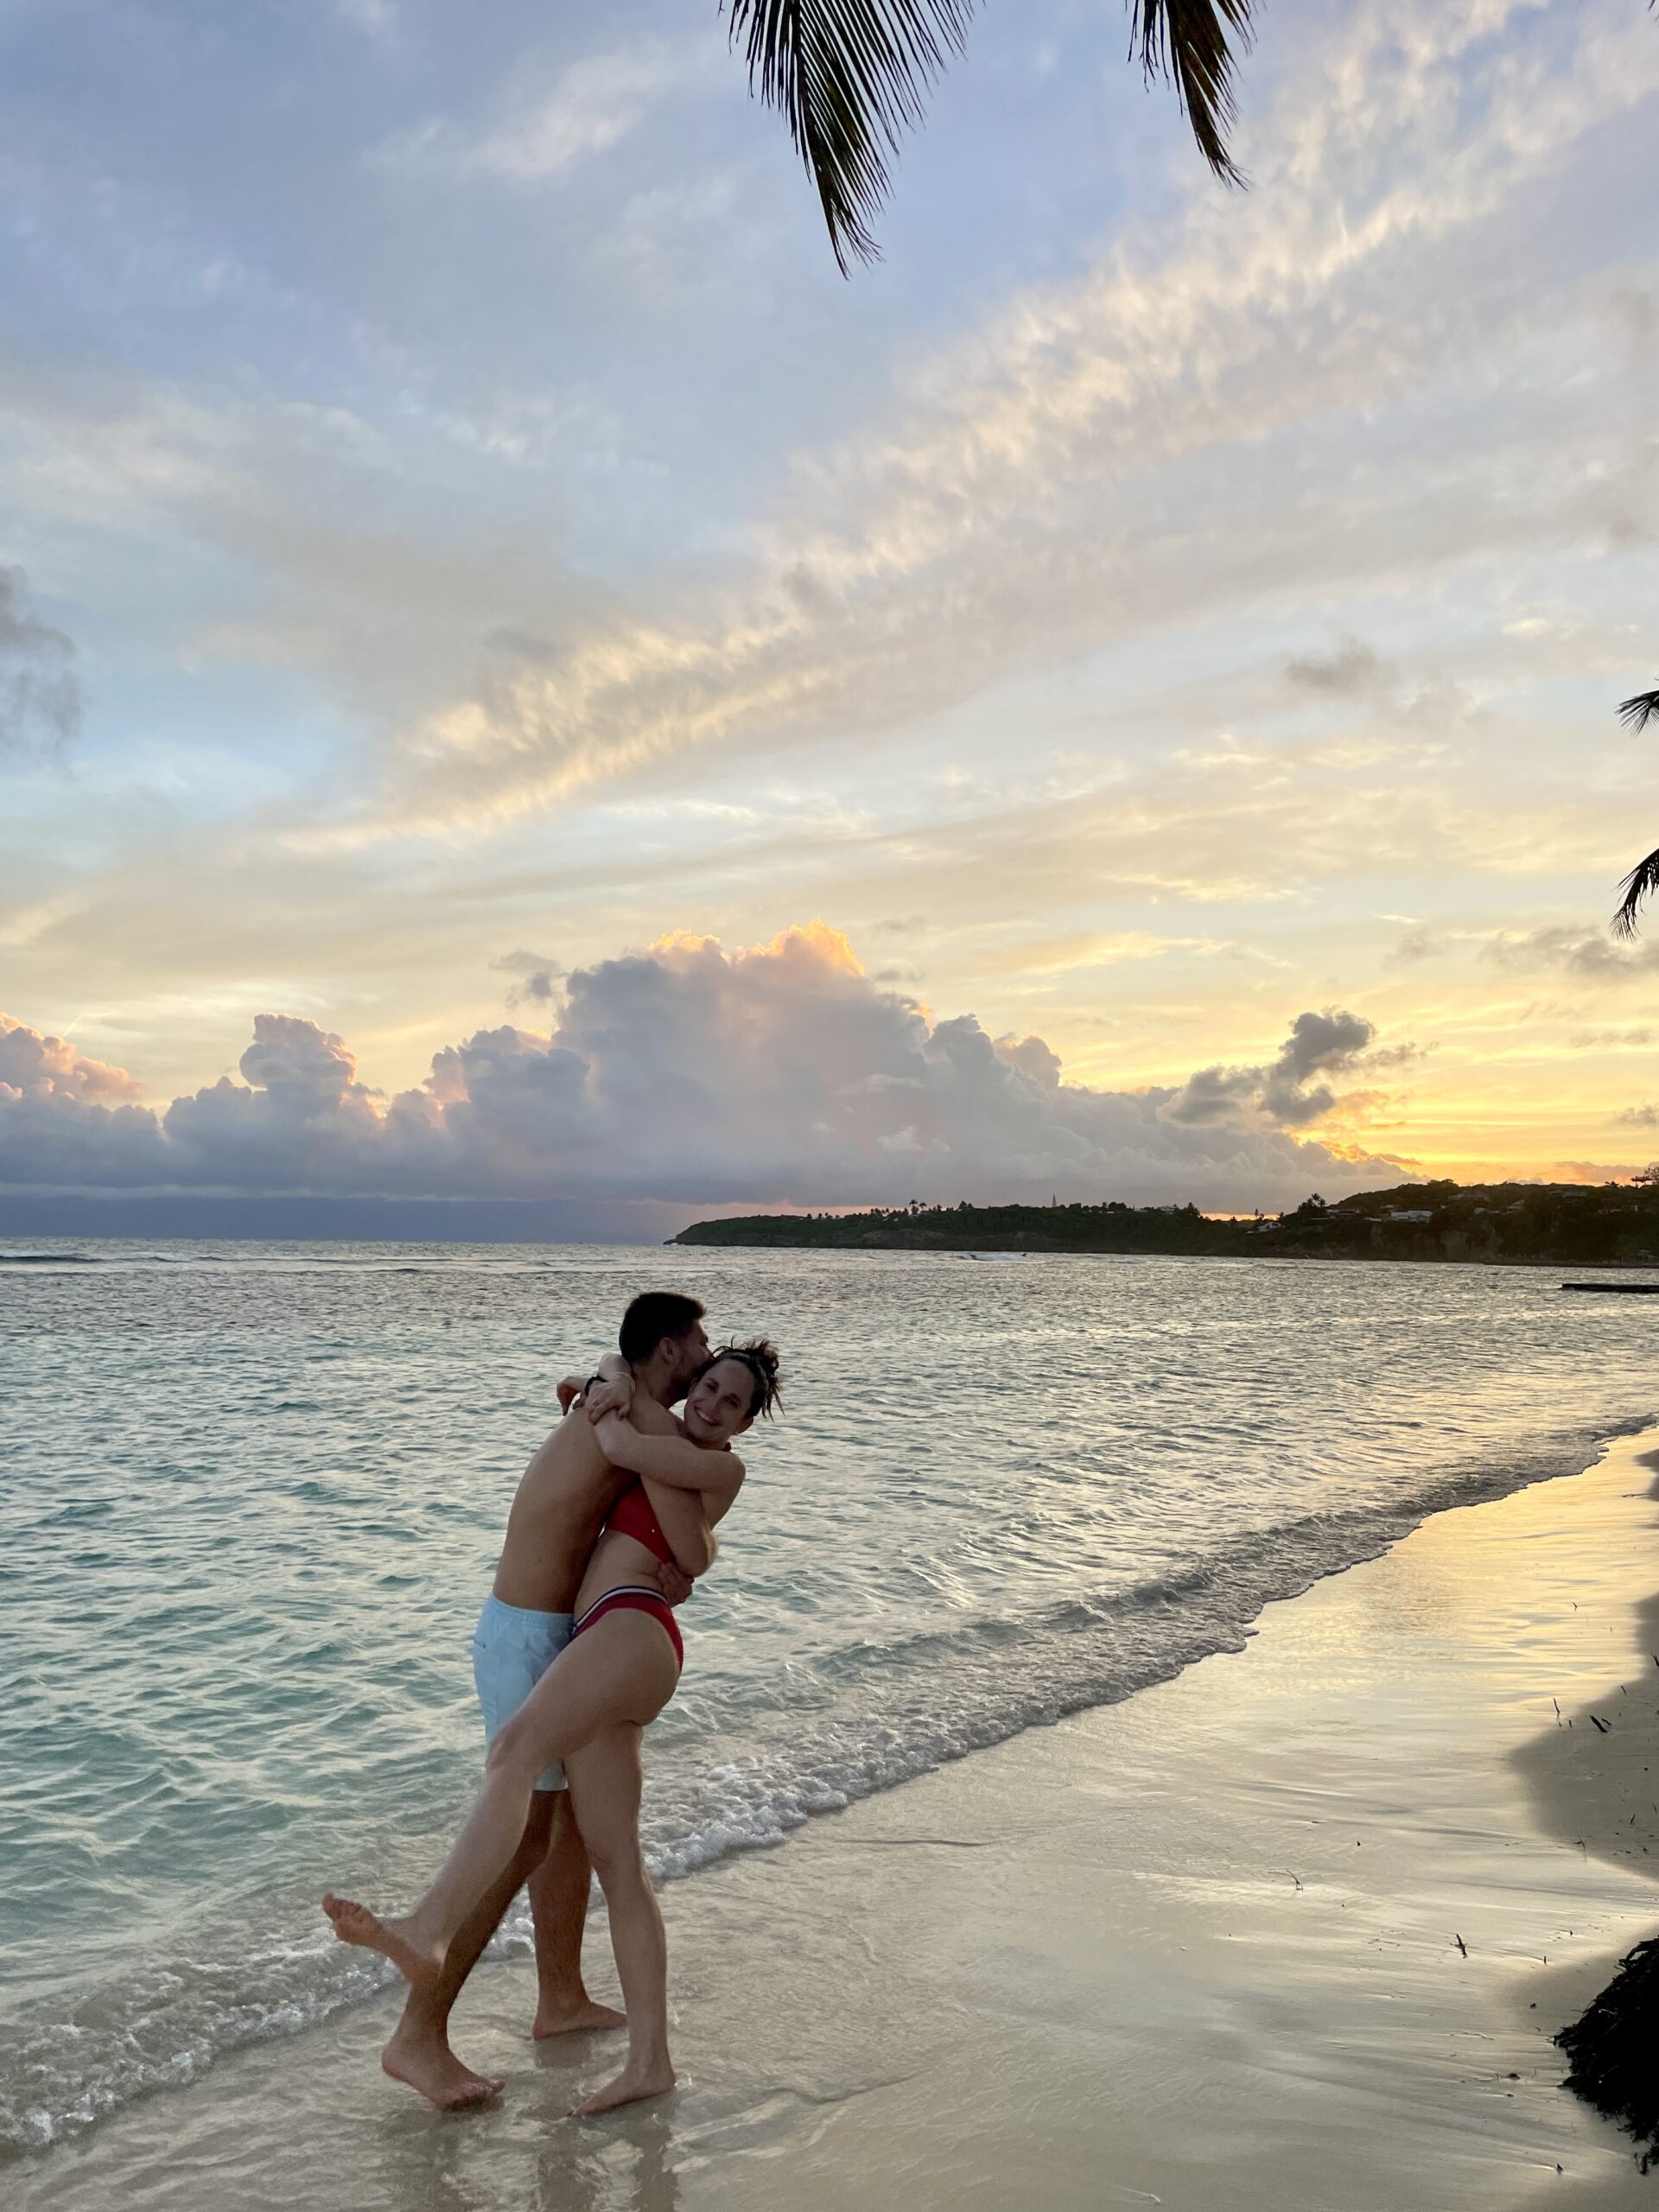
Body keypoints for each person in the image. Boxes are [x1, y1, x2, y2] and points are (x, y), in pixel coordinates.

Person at [324, 1337, 781, 2116]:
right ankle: (650, 2063)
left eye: (729, 1401)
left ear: (742, 1423)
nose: (708, 1402)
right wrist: (602, 1382)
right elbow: (602, 1410)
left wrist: (610, 1398)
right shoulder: (670, 1440)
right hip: (609, 1634)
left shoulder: (713, 1464)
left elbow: (626, 1454)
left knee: (515, 1749)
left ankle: (431, 1926)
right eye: (705, 1385)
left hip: (632, 1629)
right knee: (618, 1862)